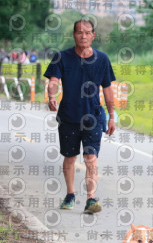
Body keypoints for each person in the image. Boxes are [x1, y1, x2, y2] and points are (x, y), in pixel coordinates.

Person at [44, 19, 116, 213]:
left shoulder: (102, 59)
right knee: (70, 157)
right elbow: (53, 80)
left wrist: (112, 116)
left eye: (87, 32)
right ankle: (70, 194)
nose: (83, 36)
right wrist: (52, 96)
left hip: (93, 117)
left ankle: (91, 198)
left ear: (93, 35)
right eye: (79, 32)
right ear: (74, 35)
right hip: (69, 116)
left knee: (91, 158)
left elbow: (107, 89)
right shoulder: (62, 57)